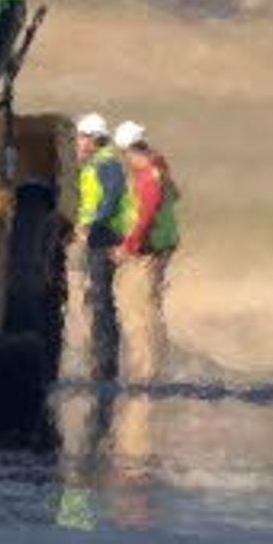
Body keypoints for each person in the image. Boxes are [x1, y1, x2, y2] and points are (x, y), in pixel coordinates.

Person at [71, 113, 130, 380]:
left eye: (83, 137)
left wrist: (93, 224)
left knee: (102, 301)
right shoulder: (98, 163)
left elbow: (111, 197)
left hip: (103, 237)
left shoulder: (106, 164)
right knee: (96, 299)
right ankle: (101, 362)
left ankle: (105, 367)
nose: (79, 143)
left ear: (96, 139)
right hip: (96, 236)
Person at [118, 122, 177, 369]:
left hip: (148, 249)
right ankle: (155, 365)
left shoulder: (149, 177)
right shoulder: (159, 171)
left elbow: (145, 216)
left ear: (131, 151)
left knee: (137, 310)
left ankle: (145, 369)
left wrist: (128, 247)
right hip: (158, 246)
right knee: (150, 307)